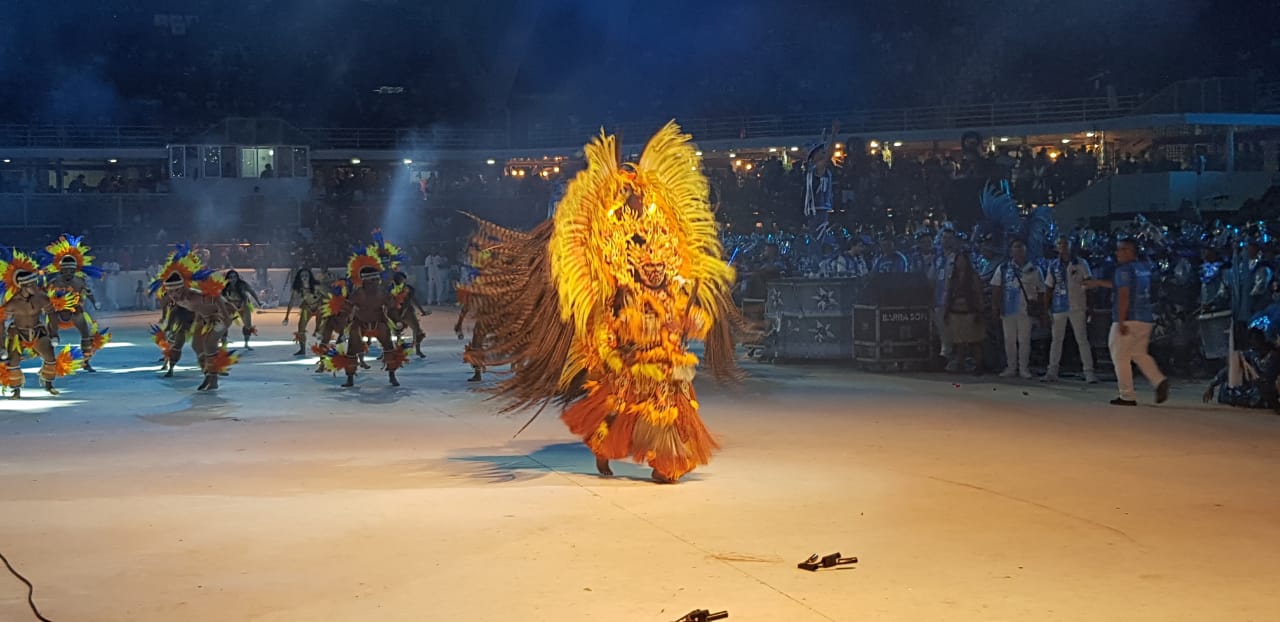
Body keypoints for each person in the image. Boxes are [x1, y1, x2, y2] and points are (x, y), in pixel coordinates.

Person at [457, 122, 743, 483]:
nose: (655, 274)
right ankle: (610, 452)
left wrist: (691, 323)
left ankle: (666, 463)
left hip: (669, 368)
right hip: (630, 365)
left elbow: (687, 322)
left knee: (673, 415)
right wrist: (613, 345)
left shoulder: (672, 288)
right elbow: (613, 324)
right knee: (620, 413)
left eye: (659, 269)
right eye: (649, 270)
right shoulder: (623, 287)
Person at [1086, 239, 1169, 406]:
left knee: (1120, 356)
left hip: (1129, 318)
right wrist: (1098, 283)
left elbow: (1124, 294)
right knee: (1139, 353)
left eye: (1121, 250)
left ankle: (1127, 395)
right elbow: (1122, 286)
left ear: (1129, 251)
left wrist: (1122, 321)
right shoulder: (1143, 268)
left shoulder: (1123, 269)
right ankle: (1159, 380)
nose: (1117, 253)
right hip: (1145, 318)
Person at [1, 250, 81, 398]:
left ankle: (49, 384)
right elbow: (1, 322)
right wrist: (1, 345)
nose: (35, 286)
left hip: (38, 331)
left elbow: (51, 314)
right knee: (13, 361)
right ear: (23, 286)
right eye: (31, 284)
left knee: (50, 358)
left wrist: (54, 333)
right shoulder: (12, 303)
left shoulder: (42, 298)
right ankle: (16, 390)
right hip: (18, 333)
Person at [42, 235, 106, 372]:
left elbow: (88, 292)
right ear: (61, 269)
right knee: (50, 335)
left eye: (72, 270)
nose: (69, 273)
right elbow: (45, 295)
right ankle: (49, 361)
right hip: (57, 312)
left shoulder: (79, 281)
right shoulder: (55, 281)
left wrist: (95, 303)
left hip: (75, 311)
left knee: (86, 334)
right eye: (66, 270)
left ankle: (86, 362)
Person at [1042, 237, 1098, 383]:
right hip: (1058, 307)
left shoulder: (1080, 263)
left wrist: (1090, 306)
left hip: (1077, 306)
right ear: (1056, 247)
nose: (1063, 247)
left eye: (1066, 244)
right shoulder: (1053, 265)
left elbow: (1089, 284)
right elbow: (1048, 288)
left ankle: (1089, 371)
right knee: (1056, 340)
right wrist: (1045, 309)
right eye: (1060, 244)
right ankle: (1052, 371)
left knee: (1082, 339)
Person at [990, 239, 1046, 379]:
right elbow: (996, 288)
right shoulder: (1003, 268)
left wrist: (1041, 310)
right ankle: (1011, 367)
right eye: (1015, 247)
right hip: (1008, 310)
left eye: (1021, 247)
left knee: (1024, 340)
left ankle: (1023, 368)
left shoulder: (1034, 269)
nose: (1018, 250)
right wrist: (995, 307)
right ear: (1011, 250)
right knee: (1009, 340)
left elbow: (1041, 291)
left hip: (1025, 310)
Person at [944, 252, 986, 375]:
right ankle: (960, 364)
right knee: (959, 341)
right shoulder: (953, 277)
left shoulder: (973, 276)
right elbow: (948, 294)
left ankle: (979, 365)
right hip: (955, 312)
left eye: (963, 260)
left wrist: (980, 310)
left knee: (975, 341)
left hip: (971, 311)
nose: (960, 263)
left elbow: (979, 294)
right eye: (958, 261)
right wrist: (946, 311)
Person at [282, 267, 328, 356]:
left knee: (320, 331)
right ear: (299, 277)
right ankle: (302, 350)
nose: (304, 277)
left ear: (310, 276)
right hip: (307, 307)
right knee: (301, 328)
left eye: (306, 275)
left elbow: (329, 296)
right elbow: (291, 302)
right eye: (302, 276)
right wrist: (286, 317)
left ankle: (323, 349)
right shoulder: (298, 288)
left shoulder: (316, 286)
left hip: (319, 307)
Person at [221, 270, 263, 350]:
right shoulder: (225, 285)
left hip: (243, 304)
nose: (233, 279)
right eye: (230, 277)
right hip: (230, 305)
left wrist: (258, 302)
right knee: (224, 324)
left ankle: (246, 343)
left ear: (237, 277)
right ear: (228, 278)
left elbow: (252, 292)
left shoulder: (242, 284)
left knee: (248, 325)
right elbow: (219, 295)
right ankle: (224, 343)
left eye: (234, 277)